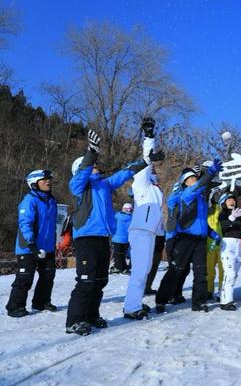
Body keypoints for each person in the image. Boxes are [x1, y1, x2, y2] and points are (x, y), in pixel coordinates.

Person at [66, 130, 147, 335]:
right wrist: (91, 152)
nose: (96, 168)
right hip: (86, 238)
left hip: (103, 238)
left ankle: (91, 315)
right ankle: (74, 321)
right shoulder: (78, 186)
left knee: (101, 281)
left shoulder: (104, 185)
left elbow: (124, 173)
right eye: (92, 166)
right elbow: (83, 171)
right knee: (86, 280)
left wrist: (144, 161)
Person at [155, 159, 223, 314]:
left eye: (195, 178)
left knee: (201, 272)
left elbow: (202, 221)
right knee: (176, 271)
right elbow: (199, 186)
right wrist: (210, 172)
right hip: (184, 239)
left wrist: (213, 234)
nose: (194, 180)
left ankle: (199, 303)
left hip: (199, 241)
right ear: (184, 183)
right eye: (190, 178)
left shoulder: (201, 200)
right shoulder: (186, 195)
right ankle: (161, 300)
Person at [123, 119, 165, 320]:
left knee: (145, 270)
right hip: (140, 231)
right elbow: (145, 161)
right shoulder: (140, 183)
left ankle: (136, 302)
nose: (154, 170)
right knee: (140, 271)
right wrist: (149, 137)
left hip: (150, 233)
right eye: (151, 169)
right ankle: (131, 307)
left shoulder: (155, 188)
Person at [6, 170, 58, 318]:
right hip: (28, 248)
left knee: (48, 276)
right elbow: (25, 223)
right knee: (25, 278)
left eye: (49, 180)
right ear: (34, 184)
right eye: (44, 180)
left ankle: (41, 302)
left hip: (47, 247)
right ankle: (15, 306)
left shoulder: (52, 201)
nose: (48, 182)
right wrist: (31, 244)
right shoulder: (29, 200)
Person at [217, 192, 241, 310]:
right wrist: (230, 218)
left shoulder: (239, 214)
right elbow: (221, 227)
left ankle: (224, 294)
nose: (231, 201)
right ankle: (225, 301)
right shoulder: (222, 214)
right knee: (230, 273)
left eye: (233, 200)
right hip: (227, 244)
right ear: (224, 202)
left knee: (234, 274)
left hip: (238, 245)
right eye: (229, 200)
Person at [205, 195, 223, 302]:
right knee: (209, 270)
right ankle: (208, 290)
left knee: (223, 270)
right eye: (215, 196)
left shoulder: (222, 209)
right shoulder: (206, 210)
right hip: (210, 243)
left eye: (219, 196)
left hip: (222, 244)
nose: (217, 198)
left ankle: (222, 290)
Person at [111, 203, 133, 274]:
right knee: (122, 254)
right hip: (127, 239)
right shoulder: (132, 218)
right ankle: (120, 266)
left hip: (117, 239)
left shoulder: (117, 216)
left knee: (117, 254)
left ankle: (120, 267)